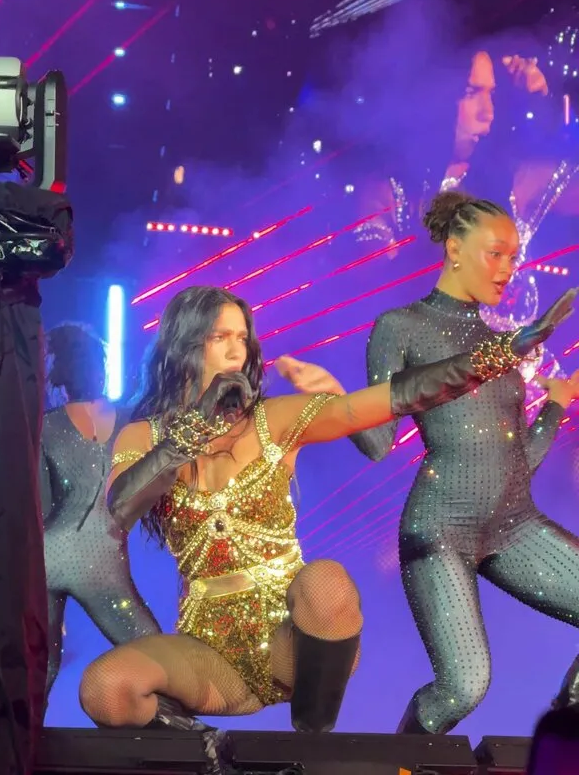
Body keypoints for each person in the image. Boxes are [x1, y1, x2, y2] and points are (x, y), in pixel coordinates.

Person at [77, 281, 573, 753]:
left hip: (294, 641)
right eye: (219, 337)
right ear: (183, 345)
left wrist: (500, 353)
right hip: (207, 651)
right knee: (105, 687)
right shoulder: (142, 437)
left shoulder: (275, 419)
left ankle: (313, 749)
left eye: (242, 339)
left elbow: (399, 396)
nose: (236, 351)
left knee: (327, 581)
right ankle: (213, 754)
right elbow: (119, 510)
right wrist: (196, 426)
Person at [344, 190, 579, 733]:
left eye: (513, 256)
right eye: (495, 254)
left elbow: (518, 465)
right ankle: (400, 768)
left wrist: (556, 407)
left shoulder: (502, 348)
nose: (508, 269)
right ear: (454, 248)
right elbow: (377, 444)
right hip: (441, 531)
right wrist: (335, 401)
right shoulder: (401, 327)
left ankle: (563, 747)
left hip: (514, 525)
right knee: (464, 687)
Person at [41, 323, 160, 696]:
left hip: (46, 558)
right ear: (100, 366)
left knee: (42, 668)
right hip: (101, 559)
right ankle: (173, 729)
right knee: (156, 657)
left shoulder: (44, 426)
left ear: (58, 371)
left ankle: (17, 734)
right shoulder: (131, 421)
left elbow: (41, 506)